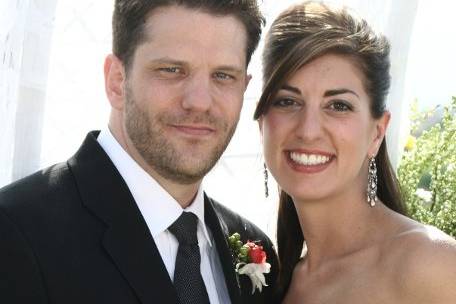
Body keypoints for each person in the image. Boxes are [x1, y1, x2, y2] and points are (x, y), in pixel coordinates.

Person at [0, 1, 279, 303]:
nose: (199, 101)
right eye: (172, 70)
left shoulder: (254, 247)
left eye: (223, 76)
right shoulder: (16, 233)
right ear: (117, 81)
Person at [254, 2, 456, 303]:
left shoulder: (430, 266)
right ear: (261, 122)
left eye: (338, 106)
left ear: (377, 132)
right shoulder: (284, 280)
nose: (308, 130)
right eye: (287, 101)